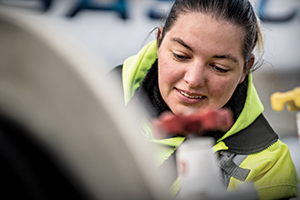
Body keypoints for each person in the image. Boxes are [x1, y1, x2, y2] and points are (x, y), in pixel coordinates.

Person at [110, 0, 298, 199]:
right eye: (181, 55)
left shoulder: (269, 164)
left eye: (219, 67)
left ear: (245, 68)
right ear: (159, 41)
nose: (193, 79)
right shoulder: (96, 103)